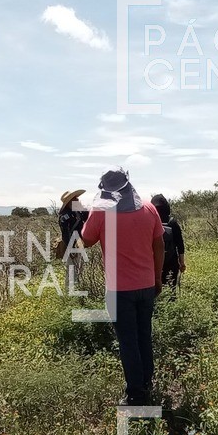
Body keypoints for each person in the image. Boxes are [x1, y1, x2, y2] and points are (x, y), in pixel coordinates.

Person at [79, 168, 164, 405]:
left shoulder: (101, 211)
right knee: (144, 336)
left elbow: (86, 241)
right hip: (146, 284)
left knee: (128, 342)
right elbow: (159, 246)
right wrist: (157, 279)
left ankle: (136, 393)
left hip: (119, 290)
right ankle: (147, 383)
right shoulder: (149, 208)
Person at [149, 194, 186, 288]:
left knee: (154, 290)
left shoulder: (149, 221)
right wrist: (182, 263)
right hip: (171, 262)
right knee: (171, 288)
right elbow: (180, 245)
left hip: (153, 262)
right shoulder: (172, 222)